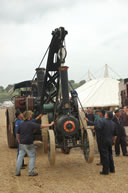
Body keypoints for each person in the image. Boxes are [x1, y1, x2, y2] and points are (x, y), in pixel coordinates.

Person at [15, 110, 54, 176]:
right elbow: (41, 126)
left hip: (21, 143)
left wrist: (18, 140)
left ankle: (17, 172)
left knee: (20, 156)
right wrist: (50, 124)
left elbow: (17, 133)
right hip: (29, 143)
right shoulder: (31, 124)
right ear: (29, 117)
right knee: (32, 156)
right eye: (31, 115)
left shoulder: (21, 123)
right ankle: (31, 172)